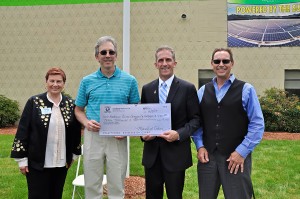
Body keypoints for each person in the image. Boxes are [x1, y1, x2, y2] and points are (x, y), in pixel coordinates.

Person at [192, 48, 265, 199]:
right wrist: (200, 146)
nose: (221, 64)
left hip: (235, 157)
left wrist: (241, 152)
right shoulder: (202, 91)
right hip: (208, 157)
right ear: (212, 64)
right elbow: (197, 122)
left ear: (232, 63)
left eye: (225, 61)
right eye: (217, 61)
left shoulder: (246, 89)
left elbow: (257, 124)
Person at [74, 35, 140, 199]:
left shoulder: (129, 80)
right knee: (91, 183)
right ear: (97, 57)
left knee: (117, 185)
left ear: (116, 55)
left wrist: (126, 130)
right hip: (93, 136)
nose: (107, 55)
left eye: (111, 51)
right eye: (103, 52)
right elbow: (79, 110)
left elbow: (136, 110)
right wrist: (86, 122)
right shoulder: (87, 81)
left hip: (117, 138)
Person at [11, 67, 82, 199]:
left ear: (63, 84)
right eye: (52, 81)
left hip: (61, 163)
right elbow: (23, 130)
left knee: (56, 195)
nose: (55, 84)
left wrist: (73, 154)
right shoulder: (34, 102)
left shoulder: (69, 104)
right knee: (37, 195)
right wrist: (21, 160)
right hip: (37, 162)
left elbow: (75, 130)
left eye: (59, 81)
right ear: (46, 82)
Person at [141, 45, 201, 199]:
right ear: (156, 64)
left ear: (175, 63)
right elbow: (143, 119)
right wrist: (143, 135)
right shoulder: (147, 89)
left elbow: (196, 119)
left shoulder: (187, 88)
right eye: (161, 60)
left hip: (176, 155)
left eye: (168, 59)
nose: (164, 63)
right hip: (152, 155)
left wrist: (179, 134)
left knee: (175, 196)